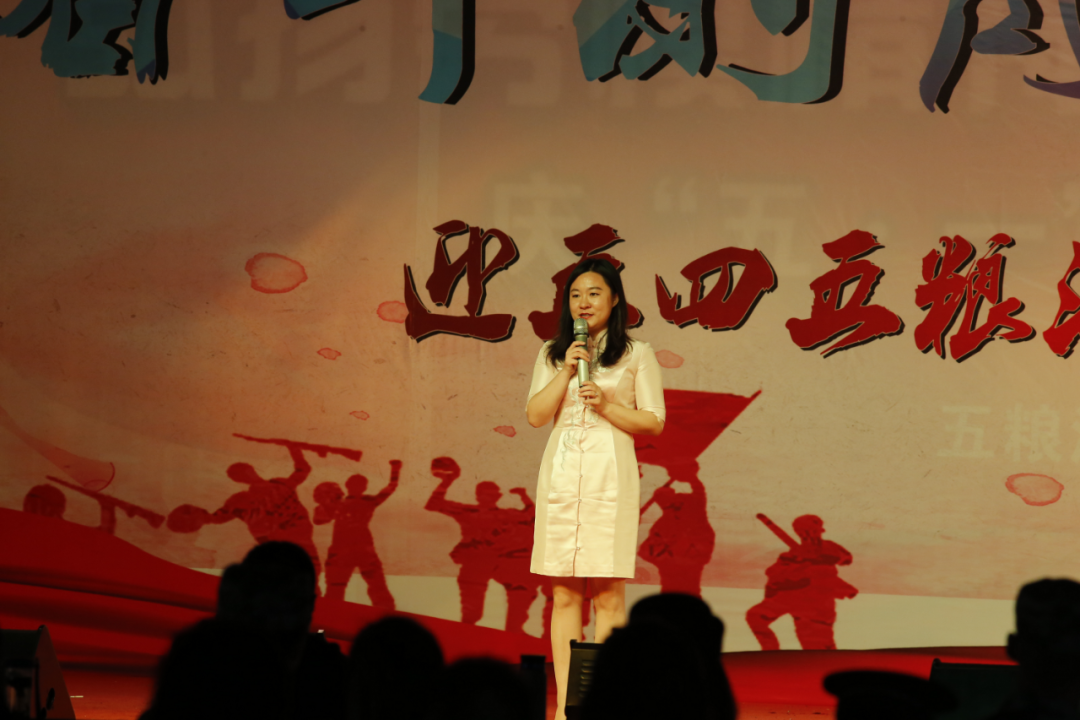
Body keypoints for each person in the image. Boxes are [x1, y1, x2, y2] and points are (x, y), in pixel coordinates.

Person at [526, 257, 665, 720]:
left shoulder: (637, 353)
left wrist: (605, 405)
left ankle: (608, 705)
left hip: (610, 473)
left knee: (608, 594)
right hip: (563, 474)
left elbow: (654, 421)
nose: (583, 303)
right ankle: (567, 709)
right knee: (564, 594)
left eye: (594, 293)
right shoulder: (553, 352)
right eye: (575, 295)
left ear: (615, 299)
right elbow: (536, 415)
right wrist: (567, 370)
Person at [745, 514, 857, 651]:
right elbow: (772, 573)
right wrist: (794, 565)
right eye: (803, 532)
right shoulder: (791, 555)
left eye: (812, 531)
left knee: (816, 646)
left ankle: (828, 661)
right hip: (790, 599)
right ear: (798, 533)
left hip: (816, 604)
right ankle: (770, 650)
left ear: (819, 530)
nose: (808, 535)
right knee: (755, 617)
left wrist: (820, 559)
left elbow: (847, 559)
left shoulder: (830, 547)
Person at [312, 460, 401, 607]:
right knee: (377, 588)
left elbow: (318, 520)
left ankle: (332, 617)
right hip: (363, 550)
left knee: (335, 591)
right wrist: (395, 469)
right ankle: (387, 616)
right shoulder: (368, 502)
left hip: (341, 551)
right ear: (364, 487)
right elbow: (391, 487)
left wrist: (326, 503)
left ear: (346, 485)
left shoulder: (340, 504)